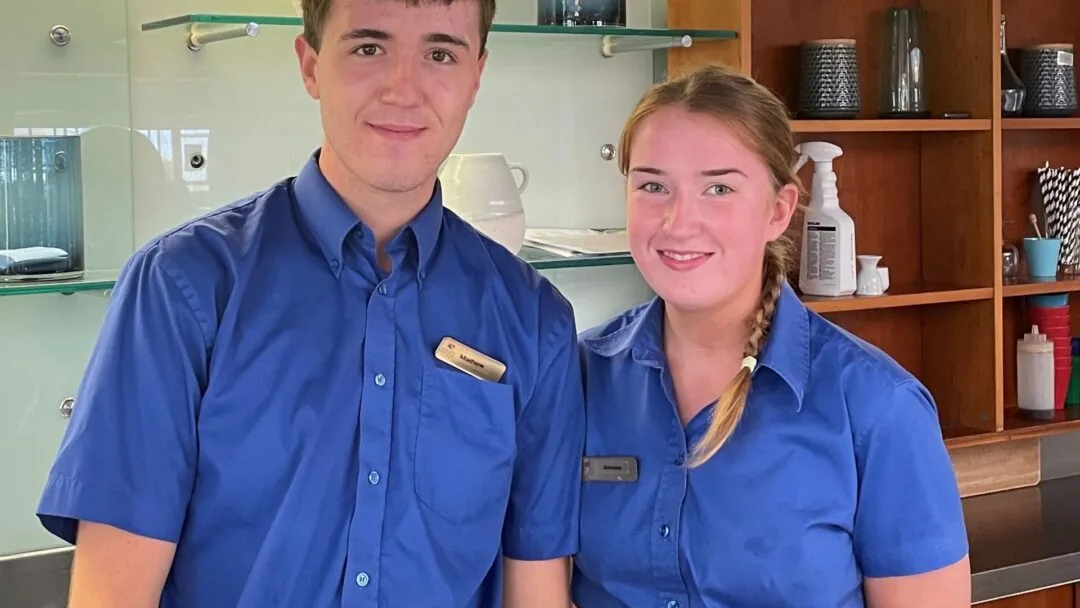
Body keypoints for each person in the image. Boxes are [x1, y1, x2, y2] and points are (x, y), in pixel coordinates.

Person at [36, 0, 583, 605]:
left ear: (476, 75)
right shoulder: (181, 288)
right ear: (310, 64)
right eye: (369, 48)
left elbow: (536, 591)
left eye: (439, 53)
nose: (404, 89)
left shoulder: (535, 321)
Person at [571, 64, 971, 607]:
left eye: (718, 188)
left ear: (779, 210)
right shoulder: (579, 377)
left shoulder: (878, 409)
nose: (678, 222)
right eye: (652, 185)